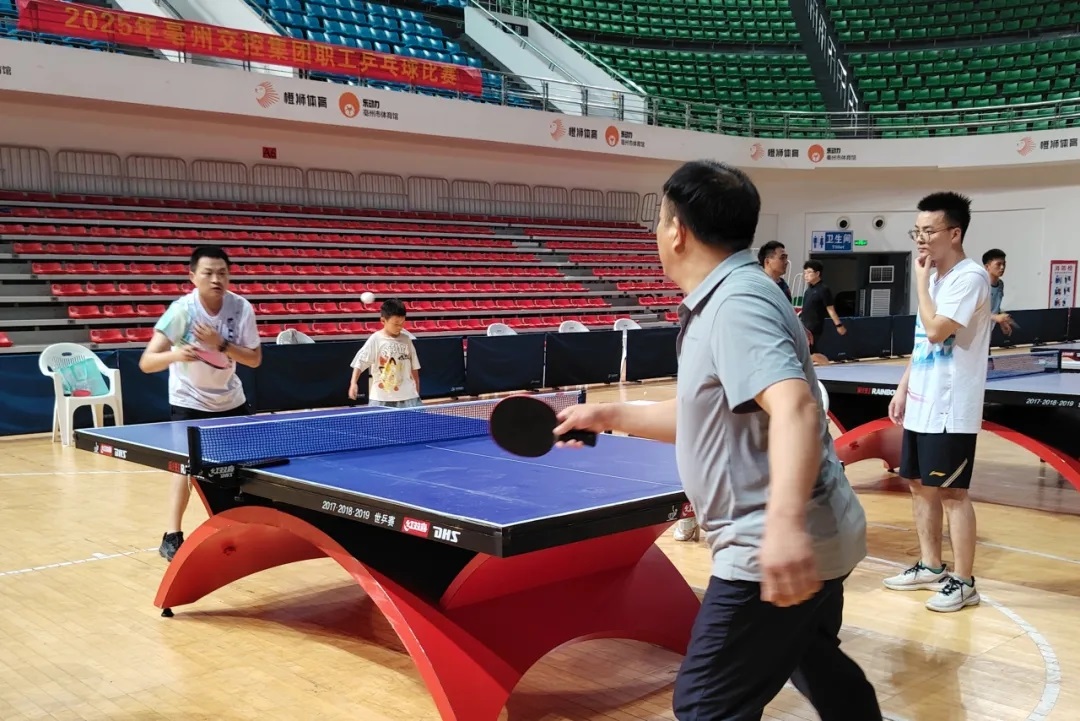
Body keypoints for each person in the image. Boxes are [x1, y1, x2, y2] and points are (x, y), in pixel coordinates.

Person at [554, 160, 881, 720]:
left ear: (678, 230)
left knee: (705, 705)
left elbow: (796, 408)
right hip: (821, 532)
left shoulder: (735, 306)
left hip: (767, 545)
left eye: (660, 221)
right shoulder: (737, 294)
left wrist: (783, 527)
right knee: (812, 658)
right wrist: (609, 414)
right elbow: (706, 415)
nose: (657, 233)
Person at [883, 191, 991, 613]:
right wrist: (903, 387)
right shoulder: (935, 279)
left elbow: (936, 331)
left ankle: (964, 582)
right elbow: (921, 345)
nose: (921, 239)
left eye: (929, 231)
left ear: (955, 233)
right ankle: (931, 566)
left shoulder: (970, 277)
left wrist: (919, 283)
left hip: (951, 408)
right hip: (923, 401)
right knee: (918, 484)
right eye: (917, 231)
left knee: (952, 493)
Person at [138, 246, 262, 561]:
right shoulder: (182, 311)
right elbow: (147, 362)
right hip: (189, 401)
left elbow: (254, 359)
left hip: (231, 400)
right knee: (183, 468)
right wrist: (176, 354)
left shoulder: (240, 308)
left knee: (243, 468)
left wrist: (220, 344)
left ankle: (241, 526)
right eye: (208, 273)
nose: (216, 279)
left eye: (222, 273)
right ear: (193, 276)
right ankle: (172, 535)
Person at [348, 298, 422, 408]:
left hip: (409, 397)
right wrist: (353, 383)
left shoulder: (406, 339)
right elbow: (360, 362)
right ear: (383, 321)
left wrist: (416, 388)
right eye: (396, 324)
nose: (400, 327)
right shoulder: (376, 339)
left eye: (402, 323)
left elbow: (414, 366)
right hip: (381, 398)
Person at [799, 260, 846, 353]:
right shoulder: (808, 291)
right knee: (809, 352)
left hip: (814, 327)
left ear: (817, 273)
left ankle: (823, 362)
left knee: (809, 352)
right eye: (805, 273)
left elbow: (830, 309)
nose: (806, 275)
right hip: (804, 326)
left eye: (809, 272)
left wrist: (839, 325)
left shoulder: (823, 289)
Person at [983, 248, 1012, 335]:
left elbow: (995, 308)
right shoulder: (981, 285)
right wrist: (995, 317)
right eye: (998, 264)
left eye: (1004, 264)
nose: (1002, 267)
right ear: (987, 267)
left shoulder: (1000, 284)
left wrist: (1002, 322)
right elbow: (974, 313)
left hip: (987, 332)